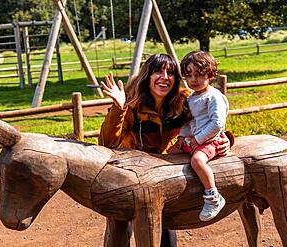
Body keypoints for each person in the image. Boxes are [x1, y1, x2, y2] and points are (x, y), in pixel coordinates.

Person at [98, 53, 231, 246]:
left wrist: (226, 138)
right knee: (119, 226)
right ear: (147, 76)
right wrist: (119, 108)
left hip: (162, 171)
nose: (165, 77)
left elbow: (208, 120)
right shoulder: (131, 104)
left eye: (170, 72)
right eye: (158, 71)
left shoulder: (184, 101)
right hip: (131, 171)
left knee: (165, 228)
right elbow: (106, 143)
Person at [168, 51, 229, 222]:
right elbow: (188, 121)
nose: (193, 80)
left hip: (210, 140)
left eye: (199, 75)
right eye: (189, 75)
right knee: (170, 153)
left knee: (197, 161)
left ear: (211, 75)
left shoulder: (214, 96)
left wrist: (198, 139)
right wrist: (181, 136)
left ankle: (213, 197)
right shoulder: (191, 97)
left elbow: (217, 123)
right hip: (193, 140)